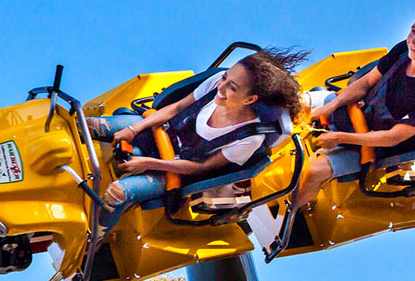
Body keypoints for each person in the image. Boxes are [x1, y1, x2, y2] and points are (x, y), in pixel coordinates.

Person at [86, 48, 310, 237]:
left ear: (250, 99)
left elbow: (202, 168)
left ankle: (95, 236)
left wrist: (148, 164)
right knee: (94, 125)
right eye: (225, 78)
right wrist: (133, 129)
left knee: (118, 193)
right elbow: (175, 108)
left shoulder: (250, 137)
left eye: (232, 87)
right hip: (158, 132)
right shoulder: (215, 84)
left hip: (174, 170)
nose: (220, 88)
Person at [293, 5, 415, 211]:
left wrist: (341, 138)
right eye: (413, 30)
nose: (414, 41)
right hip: (356, 111)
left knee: (314, 172)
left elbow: (393, 137)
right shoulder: (403, 52)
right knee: (298, 102)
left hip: (372, 144)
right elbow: (366, 82)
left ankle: (292, 212)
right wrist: (332, 106)